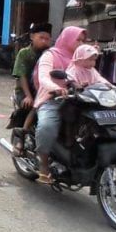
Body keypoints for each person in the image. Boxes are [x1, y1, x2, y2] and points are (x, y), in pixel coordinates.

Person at [33, 26, 87, 184]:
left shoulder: (82, 58)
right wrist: (56, 88)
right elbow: (43, 77)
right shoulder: (50, 55)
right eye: (78, 39)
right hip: (52, 99)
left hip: (78, 100)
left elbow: (94, 76)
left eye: (83, 40)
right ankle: (43, 162)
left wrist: (112, 88)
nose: (81, 43)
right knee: (47, 126)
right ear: (68, 39)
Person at [11, 23, 53, 155]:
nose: (44, 41)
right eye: (41, 38)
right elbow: (21, 76)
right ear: (32, 37)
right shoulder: (24, 53)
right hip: (25, 91)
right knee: (32, 107)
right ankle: (21, 139)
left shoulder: (50, 53)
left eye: (47, 39)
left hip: (44, 90)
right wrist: (28, 96)